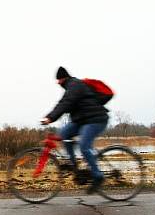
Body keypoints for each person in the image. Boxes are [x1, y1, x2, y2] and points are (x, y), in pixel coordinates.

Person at [41, 66, 111, 194]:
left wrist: (50, 118)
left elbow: (65, 103)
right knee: (64, 134)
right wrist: (50, 116)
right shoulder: (70, 87)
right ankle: (74, 167)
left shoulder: (75, 85)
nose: (58, 83)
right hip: (82, 120)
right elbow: (63, 103)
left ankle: (98, 176)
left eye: (59, 80)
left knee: (84, 146)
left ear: (63, 78)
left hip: (96, 119)